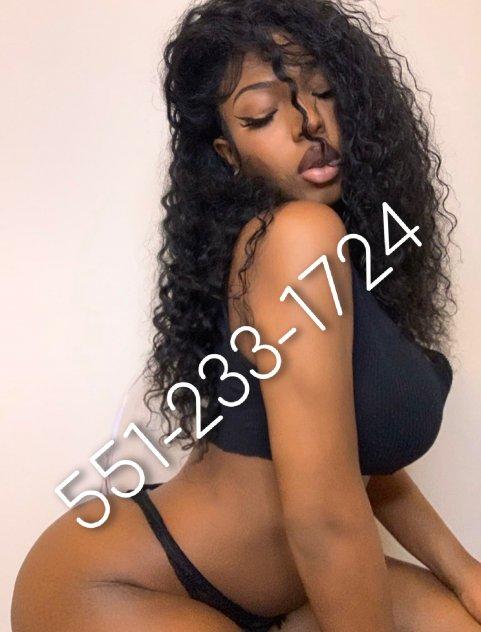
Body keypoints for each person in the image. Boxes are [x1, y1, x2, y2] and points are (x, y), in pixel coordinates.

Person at [11, 1, 481, 630]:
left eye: (324, 91)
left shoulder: (344, 250)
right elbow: (323, 515)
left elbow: (364, 466)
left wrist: (465, 572)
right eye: (261, 114)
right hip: (119, 590)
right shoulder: (296, 237)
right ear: (227, 153)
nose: (310, 123)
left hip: (281, 591)